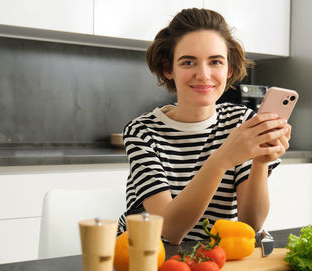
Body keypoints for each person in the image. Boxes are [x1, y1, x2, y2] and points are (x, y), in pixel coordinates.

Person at [117, 8, 291, 244]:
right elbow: (168, 230)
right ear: (169, 69)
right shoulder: (142, 132)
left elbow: (250, 224)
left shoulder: (242, 123)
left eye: (215, 62)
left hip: (213, 258)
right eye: (188, 62)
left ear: (229, 69)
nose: (204, 74)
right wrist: (221, 160)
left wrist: (260, 162)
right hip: (147, 256)